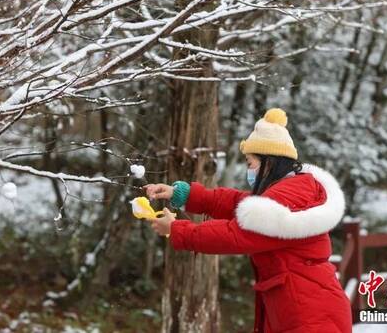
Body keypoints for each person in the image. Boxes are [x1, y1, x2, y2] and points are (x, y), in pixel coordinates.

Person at [144, 108, 352, 333]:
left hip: (310, 318)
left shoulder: (287, 197)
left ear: (269, 163)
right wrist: (183, 194)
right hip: (304, 310)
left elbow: (235, 235)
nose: (248, 170)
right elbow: (238, 202)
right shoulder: (290, 190)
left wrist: (178, 230)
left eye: (250, 162)